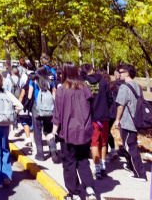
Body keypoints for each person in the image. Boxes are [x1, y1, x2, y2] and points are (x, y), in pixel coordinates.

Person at [45, 61, 96, 200]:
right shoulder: (85, 87)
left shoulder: (62, 89)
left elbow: (58, 114)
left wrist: (53, 132)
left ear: (64, 72)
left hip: (68, 132)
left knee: (69, 163)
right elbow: (91, 108)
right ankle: (90, 188)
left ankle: (74, 192)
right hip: (84, 131)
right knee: (83, 160)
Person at [113, 64, 147, 182]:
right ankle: (132, 167)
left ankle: (140, 174)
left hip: (127, 122)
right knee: (131, 146)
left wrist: (117, 120)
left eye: (121, 72)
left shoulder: (124, 87)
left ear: (127, 73)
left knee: (131, 148)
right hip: (136, 121)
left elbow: (120, 105)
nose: (119, 74)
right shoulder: (137, 86)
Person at [80, 64, 114, 179]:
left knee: (94, 143)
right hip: (104, 116)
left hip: (91, 117)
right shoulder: (103, 82)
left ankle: (97, 169)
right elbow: (110, 99)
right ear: (93, 70)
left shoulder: (82, 83)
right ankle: (103, 166)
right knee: (103, 142)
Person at [27, 65, 57, 162]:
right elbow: (54, 95)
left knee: (37, 131)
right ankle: (53, 149)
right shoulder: (50, 81)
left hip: (37, 107)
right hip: (48, 108)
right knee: (49, 130)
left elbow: (29, 96)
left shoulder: (33, 81)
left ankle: (40, 154)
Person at [17, 62, 36, 147]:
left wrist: (19, 103)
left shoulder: (24, 76)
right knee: (35, 121)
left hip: (26, 101)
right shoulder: (37, 75)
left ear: (27, 67)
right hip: (35, 101)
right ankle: (35, 140)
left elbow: (22, 90)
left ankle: (28, 138)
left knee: (25, 120)